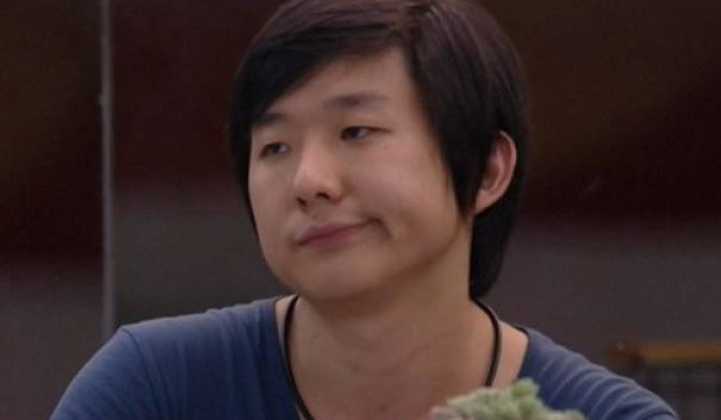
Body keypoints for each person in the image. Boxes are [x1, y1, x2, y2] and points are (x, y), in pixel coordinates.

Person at [52, 0, 677, 419]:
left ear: (488, 169)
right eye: (274, 147)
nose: (309, 182)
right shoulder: (154, 390)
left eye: (356, 131)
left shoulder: (602, 417)